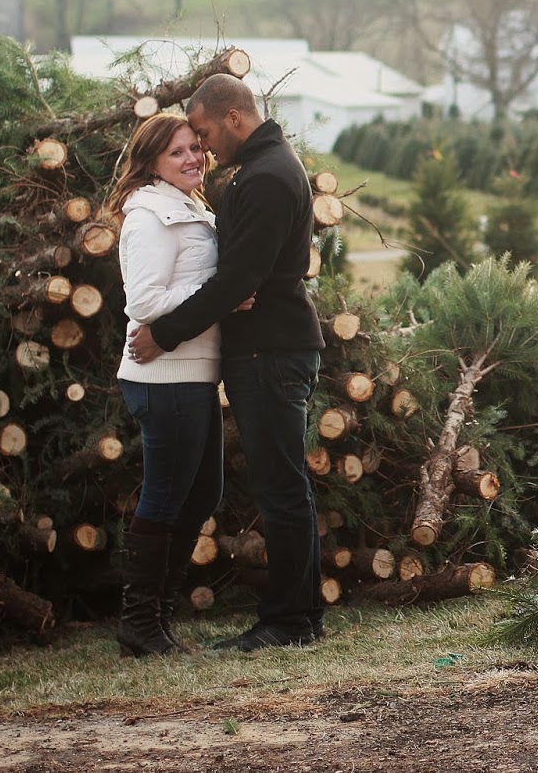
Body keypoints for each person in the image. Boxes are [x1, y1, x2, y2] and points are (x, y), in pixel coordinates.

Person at [128, 73, 327, 651]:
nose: (206, 147)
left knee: (280, 489)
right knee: (285, 485)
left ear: (234, 117)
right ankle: (303, 615)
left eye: (208, 133)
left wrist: (164, 333)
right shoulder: (261, 169)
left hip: (270, 350)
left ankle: (289, 621)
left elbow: (240, 277)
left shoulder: (267, 176)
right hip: (265, 349)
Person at [106, 113, 226, 657]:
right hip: (165, 376)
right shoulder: (150, 214)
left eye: (195, 148)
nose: (192, 158)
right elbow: (145, 303)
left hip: (194, 373)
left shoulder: (187, 204)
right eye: (177, 152)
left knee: (203, 492)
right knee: (166, 495)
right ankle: (140, 625)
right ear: (152, 160)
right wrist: (220, 294)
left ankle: (158, 615)